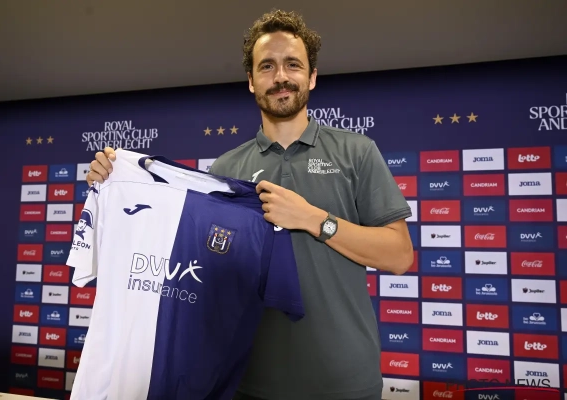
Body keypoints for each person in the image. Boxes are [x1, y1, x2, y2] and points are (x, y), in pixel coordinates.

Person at [86, 9, 414, 400]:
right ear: (251, 80)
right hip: (249, 384)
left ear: (311, 77)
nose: (280, 76)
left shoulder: (356, 152)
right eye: (267, 66)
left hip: (345, 383)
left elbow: (399, 256)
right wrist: (115, 183)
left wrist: (314, 219)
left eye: (293, 64)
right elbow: (190, 262)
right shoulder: (225, 170)